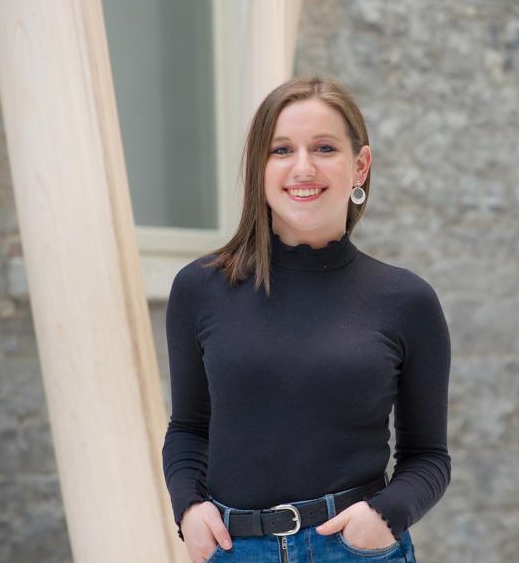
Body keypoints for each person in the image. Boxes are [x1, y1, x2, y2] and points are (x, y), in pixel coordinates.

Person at [162, 74, 451, 563]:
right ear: (259, 167)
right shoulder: (200, 288)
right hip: (234, 549)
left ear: (359, 166)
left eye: (324, 148)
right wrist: (188, 508)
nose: (302, 167)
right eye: (281, 150)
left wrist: (382, 519)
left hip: (353, 550)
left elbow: (428, 457)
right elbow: (189, 428)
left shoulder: (407, 300)